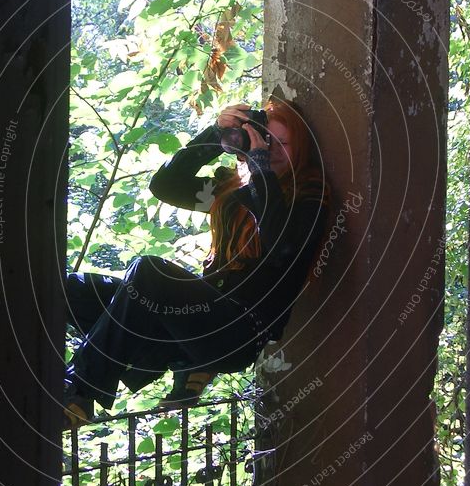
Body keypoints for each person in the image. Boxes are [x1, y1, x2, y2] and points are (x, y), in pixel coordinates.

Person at [63, 97, 329, 427]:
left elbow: (284, 246)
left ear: (301, 149)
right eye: (266, 140)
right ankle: (169, 358)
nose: (271, 150)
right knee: (70, 289)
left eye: (283, 144)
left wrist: (260, 170)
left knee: (150, 273)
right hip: (198, 319)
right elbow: (166, 186)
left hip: (236, 331)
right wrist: (214, 136)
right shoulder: (232, 192)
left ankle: (79, 391)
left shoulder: (308, 198)